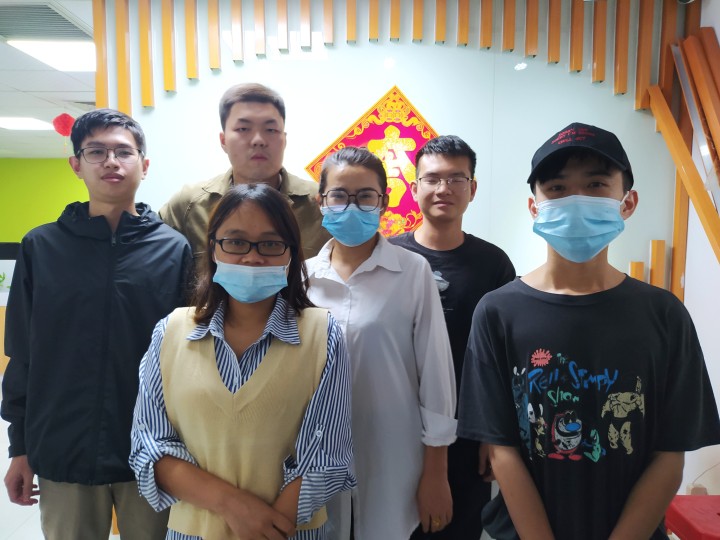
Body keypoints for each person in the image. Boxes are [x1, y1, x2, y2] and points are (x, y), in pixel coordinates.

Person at [457, 122, 720, 540]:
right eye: (558, 188)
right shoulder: (497, 312)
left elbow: (670, 454)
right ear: (534, 207)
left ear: (627, 202)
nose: (576, 199)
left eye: (596, 184)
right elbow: (502, 451)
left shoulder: (664, 315)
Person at [1, 109, 192, 539]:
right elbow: (23, 354)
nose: (111, 162)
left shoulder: (173, 249)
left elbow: (189, 356)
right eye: (96, 152)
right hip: (63, 445)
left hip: (154, 451)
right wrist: (21, 448)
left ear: (144, 164)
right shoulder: (41, 247)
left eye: (124, 152)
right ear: (76, 164)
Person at [130, 183, 354, 540]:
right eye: (235, 242)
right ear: (213, 248)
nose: (252, 258)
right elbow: (150, 447)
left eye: (270, 244)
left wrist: (265, 529)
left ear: (291, 253)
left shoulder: (322, 334)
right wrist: (233, 507)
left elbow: (326, 457)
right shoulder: (170, 332)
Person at [306, 146, 457, 539]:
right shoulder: (302, 279)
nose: (351, 206)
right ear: (321, 201)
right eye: (339, 195)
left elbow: (436, 375)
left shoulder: (412, 271)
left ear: (383, 203)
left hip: (393, 456)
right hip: (315, 459)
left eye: (365, 196)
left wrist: (436, 473)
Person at [390, 135, 515, 540]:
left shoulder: (493, 264)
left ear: (472, 189)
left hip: (467, 433)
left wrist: (492, 434)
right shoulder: (388, 258)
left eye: (456, 179)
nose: (443, 188)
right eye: (432, 179)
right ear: (414, 189)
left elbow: (502, 357)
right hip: (395, 427)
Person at [159, 82, 330, 269]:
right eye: (243, 129)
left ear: (284, 140)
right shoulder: (188, 205)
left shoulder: (322, 205)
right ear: (223, 140)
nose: (258, 140)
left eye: (271, 130)